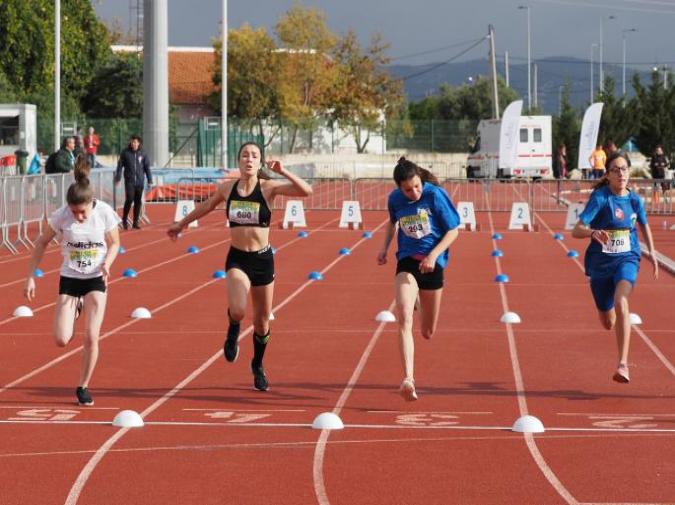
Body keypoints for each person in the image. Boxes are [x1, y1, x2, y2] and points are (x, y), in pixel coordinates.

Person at [167, 142, 312, 391]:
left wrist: (283, 171)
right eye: (245, 155)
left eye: (255, 156)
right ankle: (233, 331)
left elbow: (306, 191)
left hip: (263, 260)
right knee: (238, 310)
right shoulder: (227, 188)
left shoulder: (268, 188)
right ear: (238, 161)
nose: (249, 159)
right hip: (238, 258)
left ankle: (257, 364)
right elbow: (206, 206)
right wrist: (181, 224)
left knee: (262, 321)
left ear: (260, 162)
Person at [23, 154, 121, 406]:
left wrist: (107, 264)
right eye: (74, 212)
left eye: (82, 212)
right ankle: (76, 305)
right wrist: (30, 277)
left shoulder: (104, 213)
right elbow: (41, 243)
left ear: (92, 204)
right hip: (69, 278)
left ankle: (83, 386)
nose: (78, 216)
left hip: (96, 278)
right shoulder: (60, 216)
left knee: (91, 336)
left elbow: (115, 243)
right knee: (61, 339)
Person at [377, 157, 460, 401]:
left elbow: (454, 230)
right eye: (407, 189)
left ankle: (419, 302)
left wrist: (433, 255)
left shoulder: (435, 195)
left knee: (427, 331)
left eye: (416, 187)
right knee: (403, 315)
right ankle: (408, 379)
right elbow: (393, 223)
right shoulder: (395, 199)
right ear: (398, 188)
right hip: (407, 261)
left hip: (433, 264)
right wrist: (384, 248)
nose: (413, 192)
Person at [572, 151, 658, 383]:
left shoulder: (634, 200)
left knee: (622, 301)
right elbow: (576, 230)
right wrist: (593, 232)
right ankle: (608, 311)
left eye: (624, 169)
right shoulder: (601, 198)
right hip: (600, 265)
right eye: (615, 169)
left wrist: (652, 253)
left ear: (629, 172)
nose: (621, 173)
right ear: (608, 175)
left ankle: (623, 364)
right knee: (608, 322)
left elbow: (644, 225)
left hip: (628, 258)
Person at [114, 135, 152, 230]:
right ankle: (124, 218)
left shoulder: (143, 153)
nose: (134, 144)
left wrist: (150, 180)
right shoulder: (125, 153)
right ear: (130, 142)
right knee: (130, 199)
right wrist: (118, 177)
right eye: (132, 142)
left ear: (139, 143)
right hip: (129, 181)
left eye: (136, 142)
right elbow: (120, 166)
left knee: (138, 202)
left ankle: (135, 222)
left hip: (140, 181)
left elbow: (147, 168)